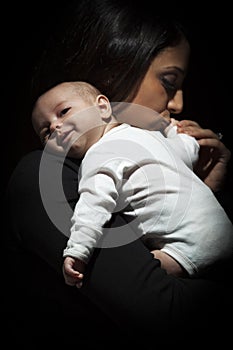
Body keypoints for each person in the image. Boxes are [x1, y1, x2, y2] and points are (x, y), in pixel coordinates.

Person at [5, 0, 233, 345]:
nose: (177, 104)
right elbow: (170, 313)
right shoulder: (43, 178)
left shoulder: (140, 153)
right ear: (114, 71)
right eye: (169, 81)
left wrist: (201, 189)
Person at [31, 80, 233, 287]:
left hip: (185, 246)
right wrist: (175, 131)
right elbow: (186, 151)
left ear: (102, 107)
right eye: (46, 132)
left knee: (126, 278)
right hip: (223, 227)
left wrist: (77, 250)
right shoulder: (148, 135)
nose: (55, 126)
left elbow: (93, 206)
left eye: (63, 111)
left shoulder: (98, 156)